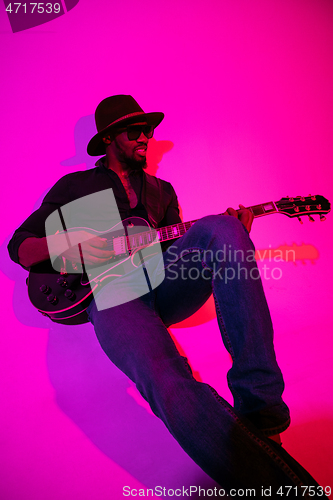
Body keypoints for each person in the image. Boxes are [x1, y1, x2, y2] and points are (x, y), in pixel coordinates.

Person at [8, 95, 325, 495]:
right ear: (108, 138)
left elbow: (177, 250)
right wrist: (73, 248)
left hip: (162, 283)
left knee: (222, 228)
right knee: (168, 380)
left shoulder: (162, 191)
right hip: (110, 295)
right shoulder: (76, 186)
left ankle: (261, 414)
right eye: (135, 131)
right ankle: (269, 480)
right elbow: (20, 245)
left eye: (149, 131)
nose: (145, 138)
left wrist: (229, 235)